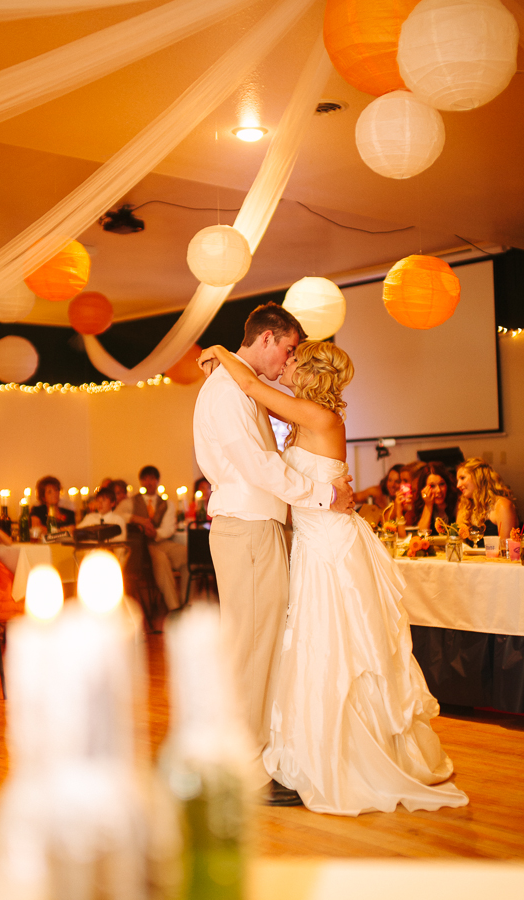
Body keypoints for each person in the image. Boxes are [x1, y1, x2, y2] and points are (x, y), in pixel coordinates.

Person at [198, 338, 468, 815]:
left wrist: (220, 349)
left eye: (295, 361)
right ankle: (305, 751)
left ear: (311, 372)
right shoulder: (305, 417)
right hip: (311, 545)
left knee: (337, 649)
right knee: (312, 648)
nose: (287, 365)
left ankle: (346, 757)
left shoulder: (319, 419)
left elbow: (246, 383)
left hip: (329, 549)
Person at [193, 302, 354, 806]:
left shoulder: (233, 384)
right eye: (286, 349)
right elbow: (260, 468)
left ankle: (254, 758)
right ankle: (246, 772)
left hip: (254, 528)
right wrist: (326, 496)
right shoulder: (226, 393)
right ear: (266, 339)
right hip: (247, 528)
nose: (288, 363)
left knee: (257, 646)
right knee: (251, 647)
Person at [130, 465, 188, 612]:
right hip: (142, 545)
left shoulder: (167, 504)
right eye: (145, 479)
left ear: (157, 481)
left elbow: (168, 528)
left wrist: (156, 533)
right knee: (161, 559)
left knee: (187, 554)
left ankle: (187, 602)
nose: (148, 482)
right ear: (141, 481)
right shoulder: (132, 502)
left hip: (161, 540)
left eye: (152, 479)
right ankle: (174, 607)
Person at [456, 457, 519, 540]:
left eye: (462, 478)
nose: (458, 485)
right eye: (457, 480)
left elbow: (506, 548)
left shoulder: (502, 506)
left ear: (478, 477)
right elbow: (457, 542)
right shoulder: (465, 506)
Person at [413, 463, 459, 535]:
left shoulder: (457, 501)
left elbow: (459, 535)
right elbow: (421, 535)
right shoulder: (420, 506)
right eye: (432, 486)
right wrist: (428, 505)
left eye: (442, 484)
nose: (439, 490)